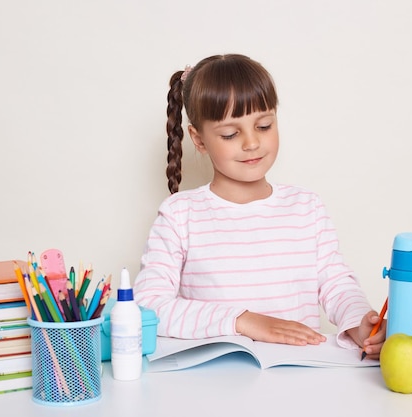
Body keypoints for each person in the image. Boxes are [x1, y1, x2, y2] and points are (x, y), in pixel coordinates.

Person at [133, 54, 386, 358]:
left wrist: (360, 324)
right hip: (213, 383)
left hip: (298, 372)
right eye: (230, 134)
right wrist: (243, 321)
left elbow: (337, 285)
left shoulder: (306, 207)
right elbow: (148, 306)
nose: (252, 143)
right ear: (198, 140)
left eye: (264, 126)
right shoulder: (179, 215)